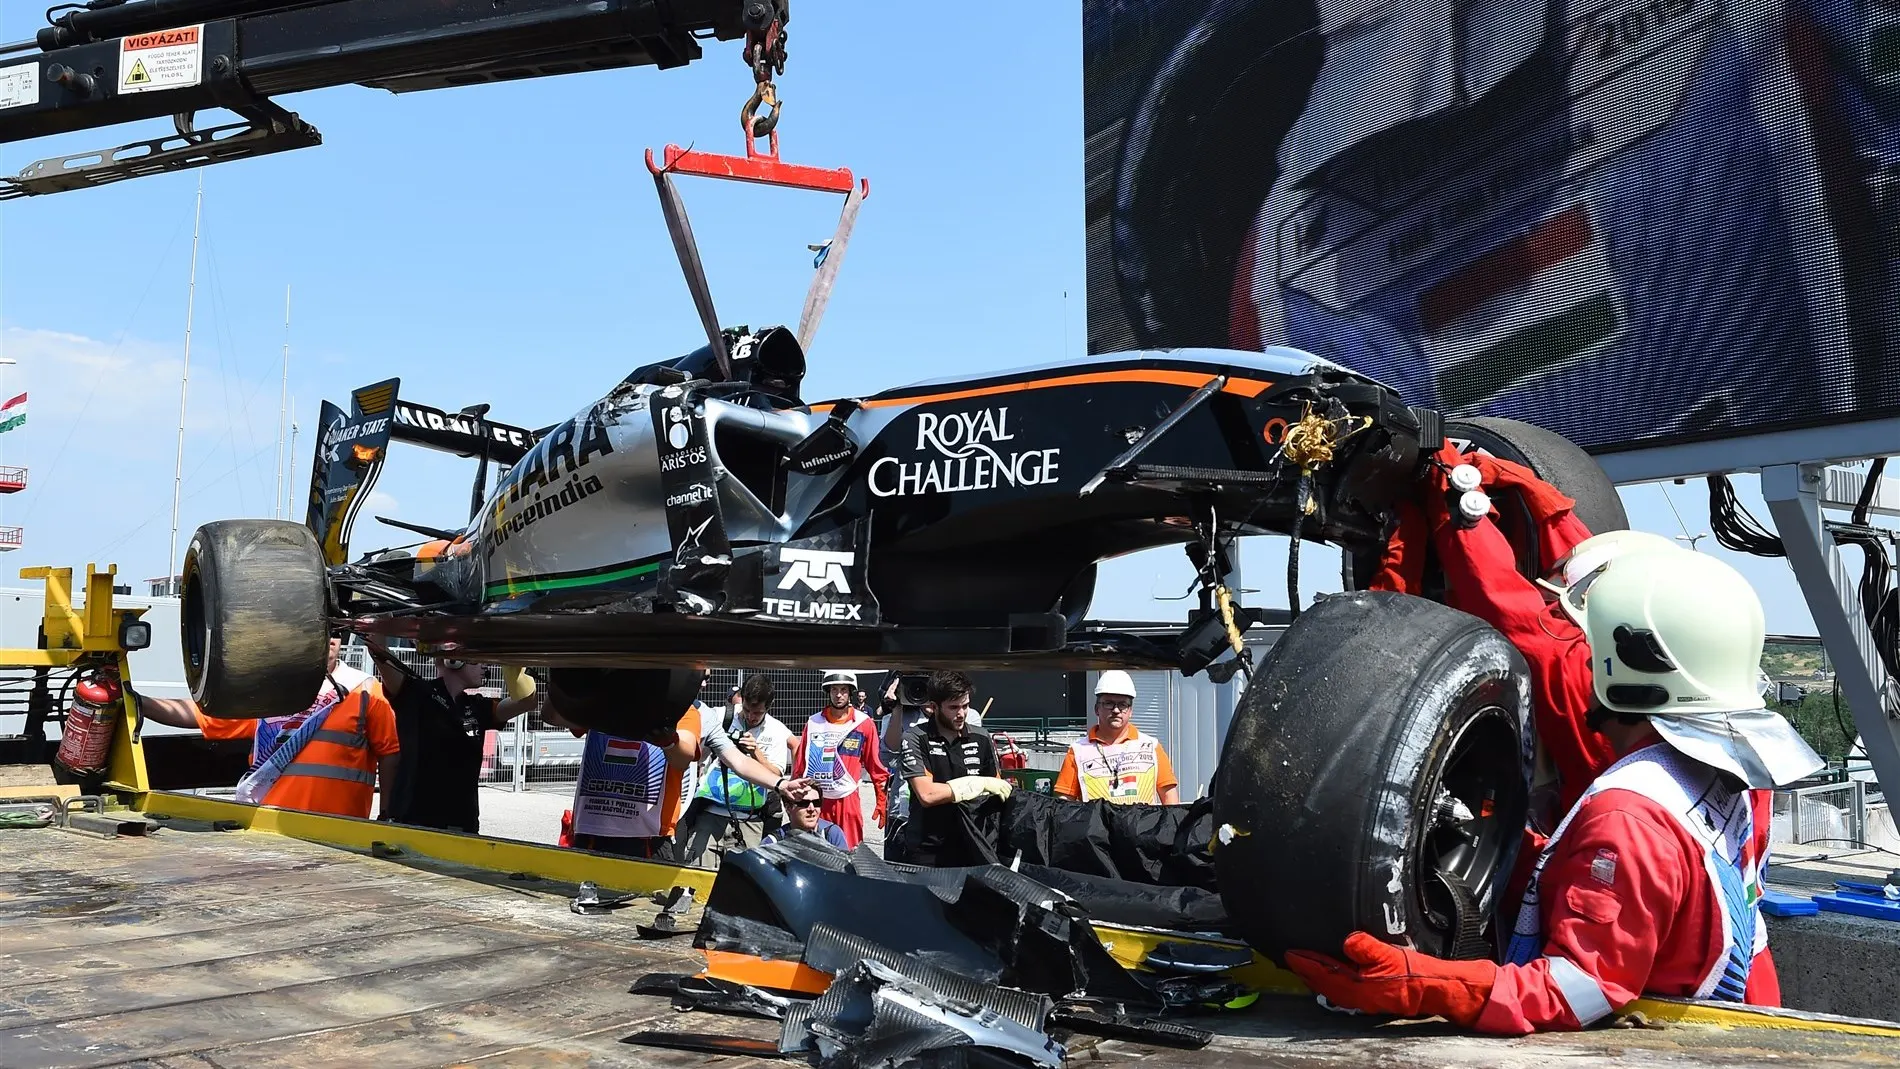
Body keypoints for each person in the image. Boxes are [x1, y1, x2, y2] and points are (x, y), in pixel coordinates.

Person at [1286, 547, 1825, 1034]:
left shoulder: (1629, 818)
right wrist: (1516, 850)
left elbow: (1580, 988)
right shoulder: (1734, 771)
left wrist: (1428, 985)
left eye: (1583, 641)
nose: (1577, 656)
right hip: (1743, 1010)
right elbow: (1669, 888)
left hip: (1672, 1041)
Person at [129, 635, 400, 820]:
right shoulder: (269, 693)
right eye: (323, 627)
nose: (330, 638)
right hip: (268, 825)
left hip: (340, 828)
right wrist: (140, 703)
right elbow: (200, 716)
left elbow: (390, 753)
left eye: (337, 631)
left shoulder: (364, 690)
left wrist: (386, 814)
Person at [546, 688, 807, 861]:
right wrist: (571, 679)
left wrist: (780, 783)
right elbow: (551, 714)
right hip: (593, 828)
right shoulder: (605, 695)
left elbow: (697, 758)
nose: (701, 681)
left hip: (645, 834)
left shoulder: (689, 711)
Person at [362, 639, 539, 833]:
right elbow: (378, 650)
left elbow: (526, 702)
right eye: (476, 659)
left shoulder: (476, 707)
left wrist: (508, 656)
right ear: (452, 660)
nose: (484, 665)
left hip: (464, 824)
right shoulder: (416, 694)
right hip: (415, 824)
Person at [894, 670, 1012, 866]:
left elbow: (996, 790)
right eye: (953, 707)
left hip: (974, 845)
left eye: (965, 706)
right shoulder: (915, 738)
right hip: (928, 849)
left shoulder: (981, 737)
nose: (961, 714)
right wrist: (975, 783)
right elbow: (927, 795)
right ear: (933, 707)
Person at [675, 674, 795, 866]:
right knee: (699, 873)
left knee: (745, 881)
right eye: (746, 710)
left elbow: (775, 777)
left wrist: (756, 752)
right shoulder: (721, 716)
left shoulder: (776, 730)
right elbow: (696, 754)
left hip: (750, 819)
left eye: (757, 713)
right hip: (710, 813)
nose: (750, 717)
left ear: (769, 707)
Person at [790, 669, 889, 849]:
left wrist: (881, 800)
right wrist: (793, 799)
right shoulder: (813, 723)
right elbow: (800, 766)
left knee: (850, 852)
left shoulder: (863, 723)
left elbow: (876, 766)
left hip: (847, 800)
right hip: (818, 801)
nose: (838, 695)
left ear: (850, 692)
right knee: (816, 853)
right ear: (828, 692)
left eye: (843, 690)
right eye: (834, 690)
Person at [1052, 670, 1180, 805]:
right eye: (1108, 703)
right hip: (1096, 827)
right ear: (1096, 709)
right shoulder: (1078, 751)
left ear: (1130, 711)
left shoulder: (1151, 747)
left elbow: (1170, 799)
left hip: (1143, 827)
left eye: (1123, 704)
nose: (1116, 710)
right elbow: (1064, 804)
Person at [761, 784, 849, 848]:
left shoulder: (831, 834)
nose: (811, 808)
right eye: (804, 803)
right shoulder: (774, 842)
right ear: (788, 807)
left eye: (816, 803)